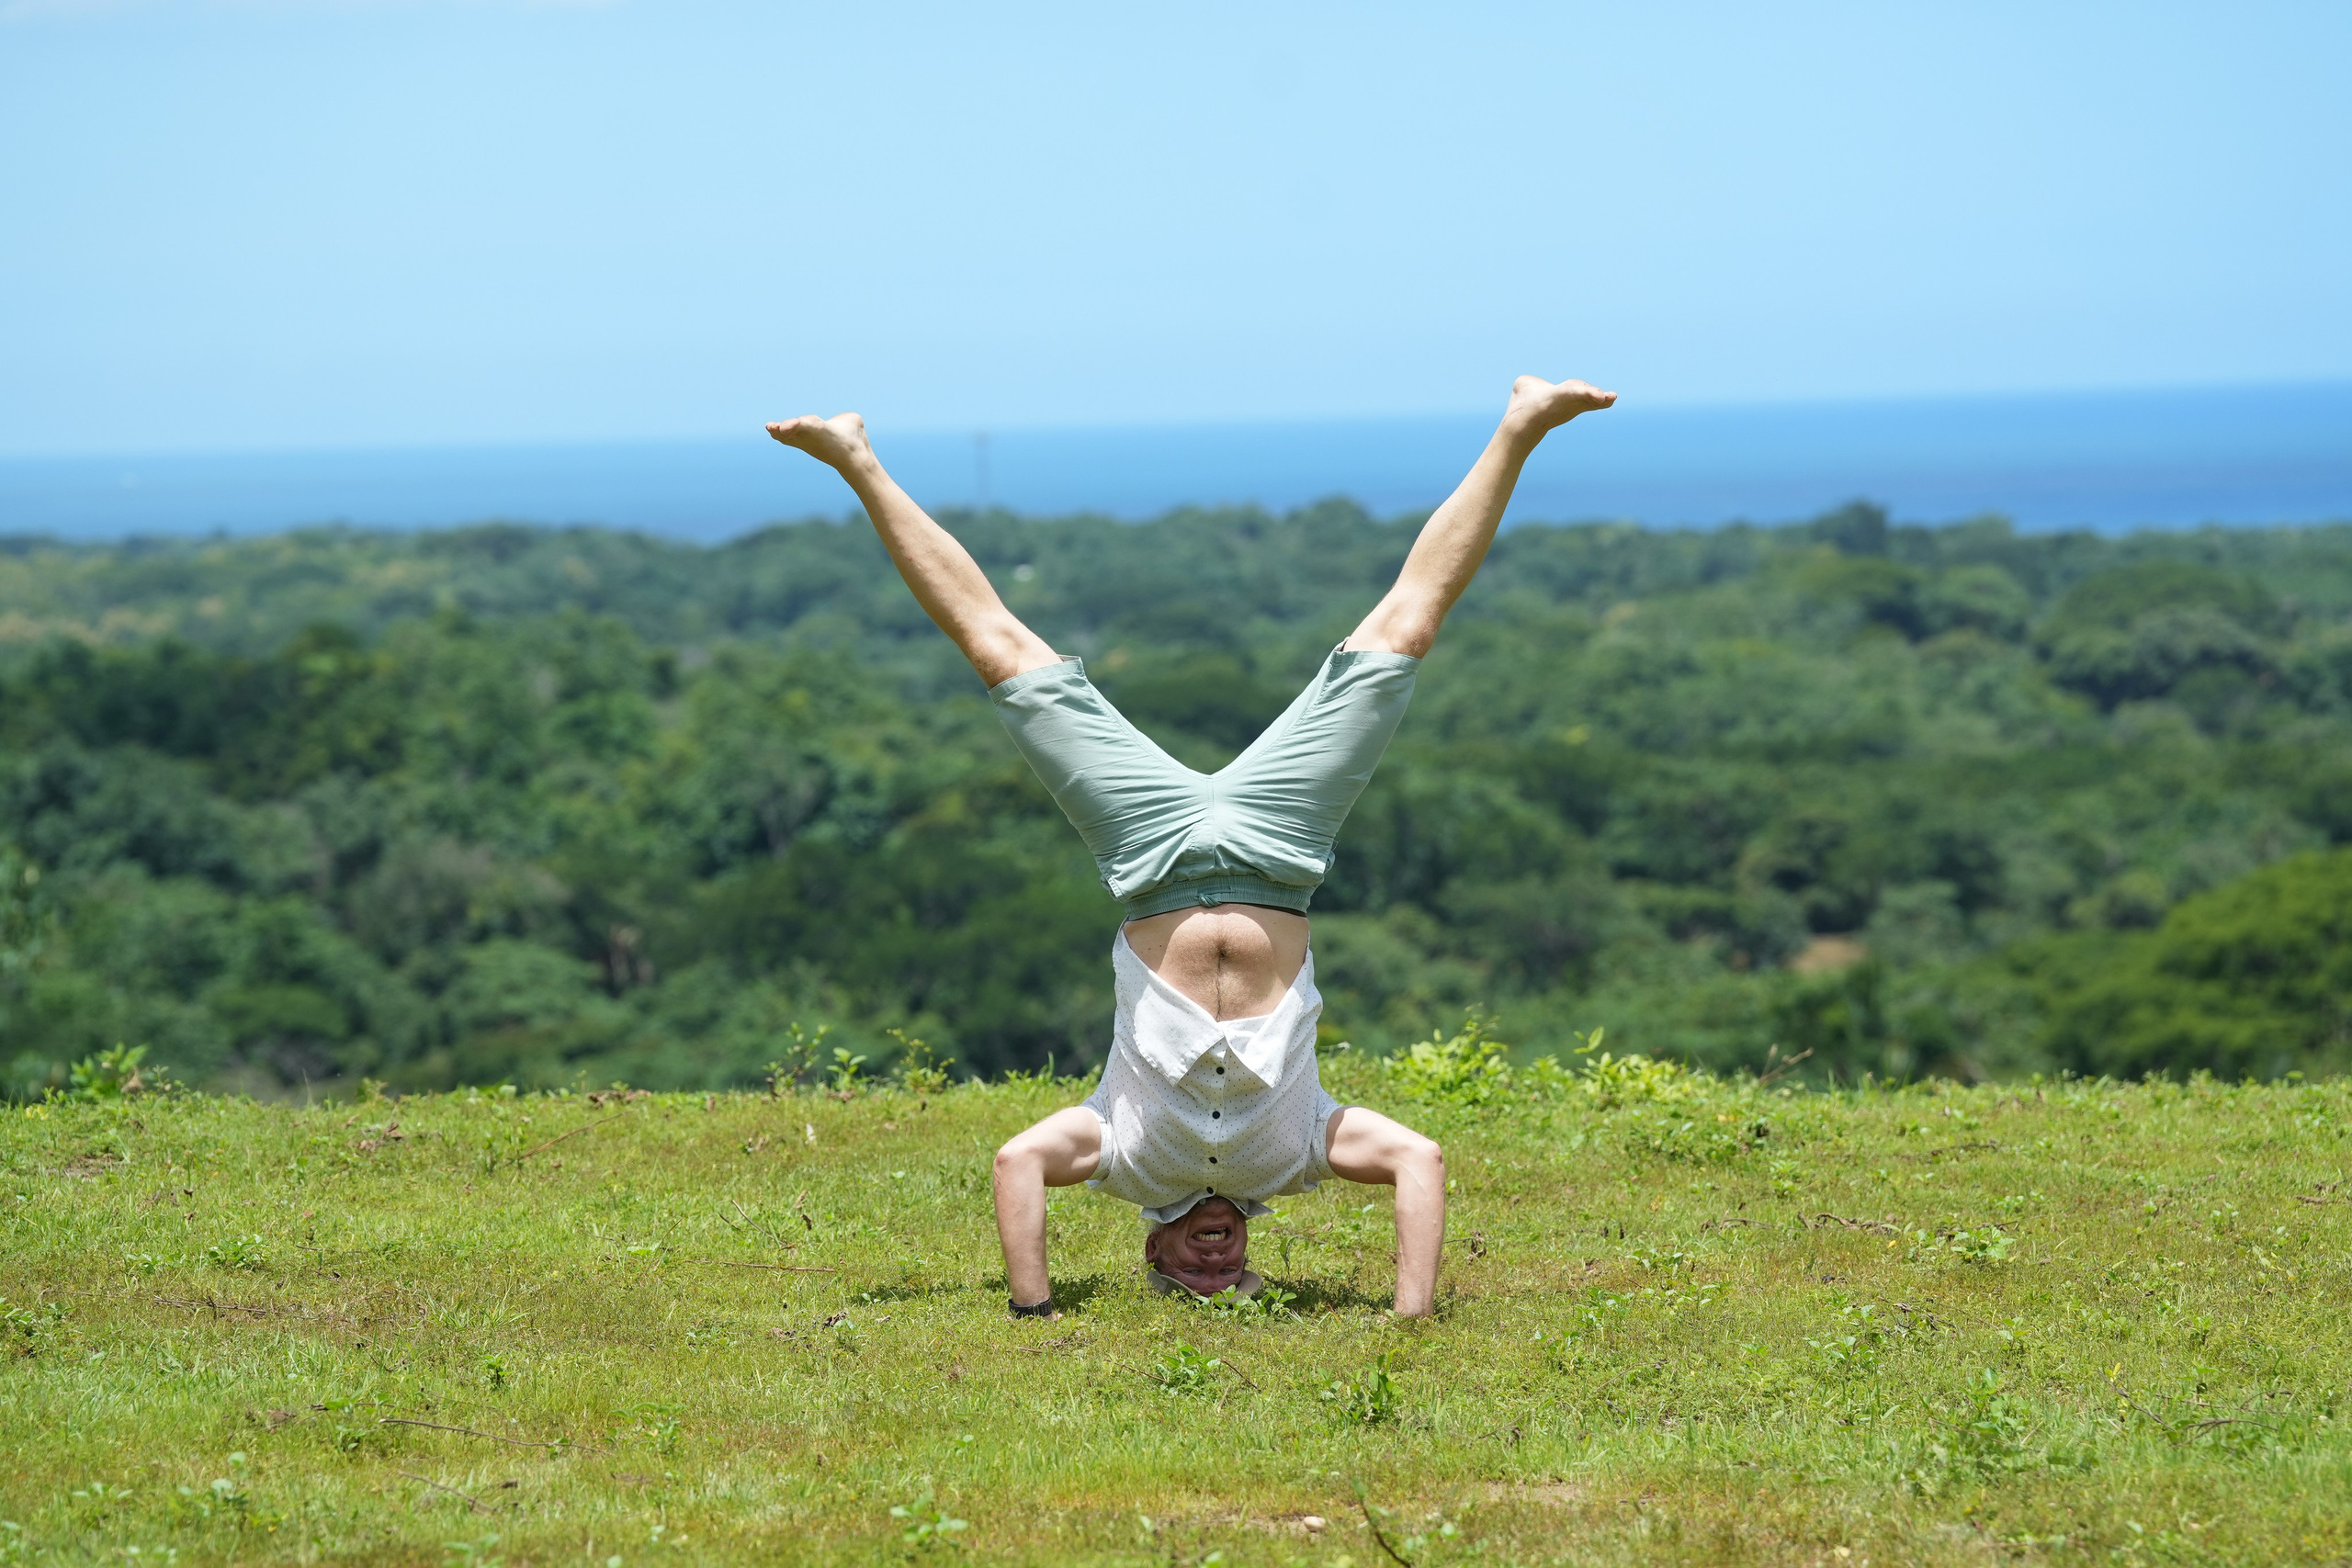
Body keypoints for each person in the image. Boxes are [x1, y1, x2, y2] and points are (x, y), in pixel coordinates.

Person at [766, 374, 1617, 1319]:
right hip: (1279, 852)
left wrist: (1033, 1310)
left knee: (1002, 652)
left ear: (1153, 1250)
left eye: (1194, 1274)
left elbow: (1017, 1163)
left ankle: (854, 457)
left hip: (1150, 857)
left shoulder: (1122, 1157)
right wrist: (1409, 1318)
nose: (1217, 1262)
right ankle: (1523, 422)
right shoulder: (1297, 1156)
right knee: (1400, 633)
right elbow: (1418, 1159)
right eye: (1231, 1274)